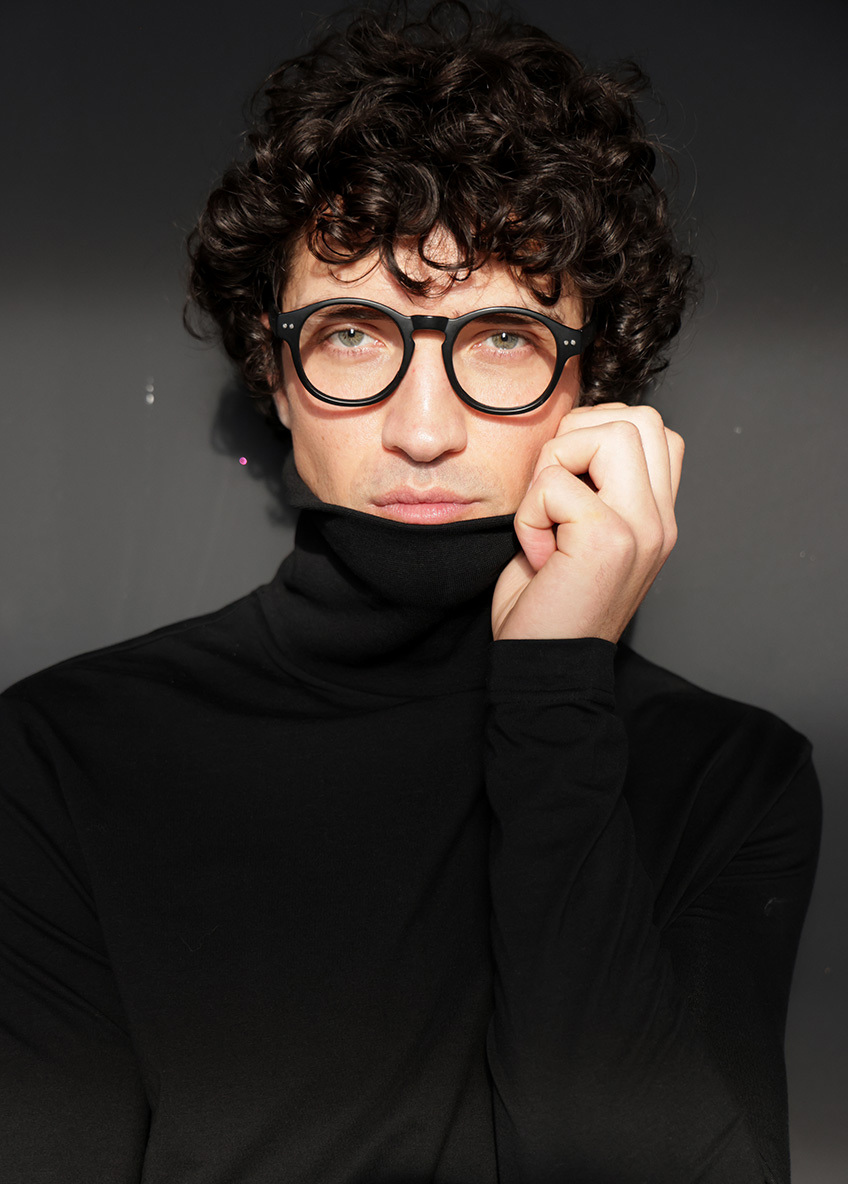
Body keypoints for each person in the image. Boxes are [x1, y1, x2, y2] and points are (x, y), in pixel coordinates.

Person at [0, 4, 821, 1182]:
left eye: (502, 338)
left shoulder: (725, 777)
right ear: (273, 369)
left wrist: (551, 702)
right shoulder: (61, 755)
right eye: (351, 333)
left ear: (593, 382)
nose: (423, 430)